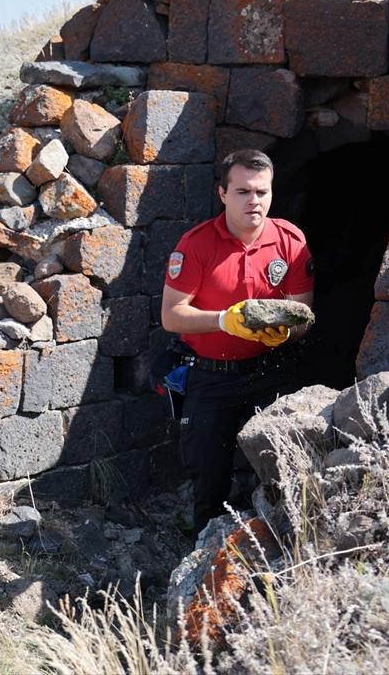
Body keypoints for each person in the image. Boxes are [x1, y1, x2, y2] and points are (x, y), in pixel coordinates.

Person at [160, 149, 314, 539]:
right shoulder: (195, 245)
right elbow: (171, 315)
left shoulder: (291, 242)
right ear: (223, 194)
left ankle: (284, 554)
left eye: (262, 192)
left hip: (271, 372)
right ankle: (201, 571)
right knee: (210, 482)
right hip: (211, 379)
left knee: (287, 470)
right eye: (243, 191)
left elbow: (303, 316)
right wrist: (224, 321)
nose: (254, 201)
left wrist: (285, 330)